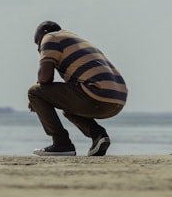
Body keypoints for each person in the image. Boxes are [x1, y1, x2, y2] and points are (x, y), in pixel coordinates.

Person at [28, 21, 128, 156]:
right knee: (68, 106)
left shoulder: (51, 38)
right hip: (117, 100)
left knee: (34, 92)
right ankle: (99, 136)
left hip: (95, 94)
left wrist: (37, 98)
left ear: (44, 33)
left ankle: (61, 143)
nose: (38, 48)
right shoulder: (75, 40)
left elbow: (44, 78)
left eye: (37, 42)